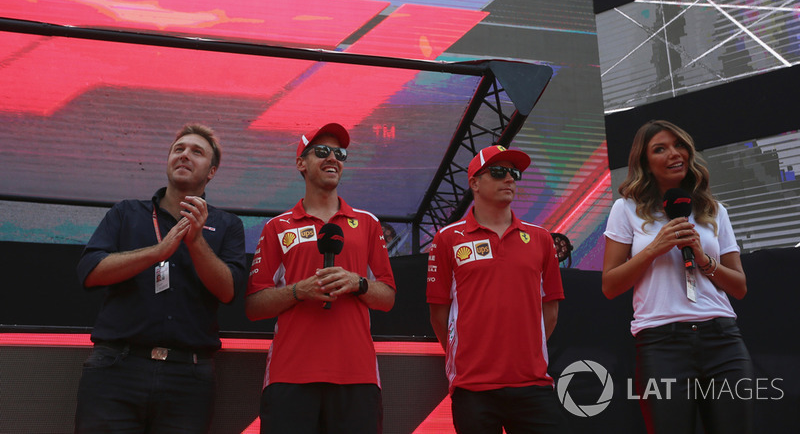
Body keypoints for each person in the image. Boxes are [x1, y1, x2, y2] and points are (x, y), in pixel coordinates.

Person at [74, 123, 248, 433]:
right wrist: (157, 252)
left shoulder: (227, 224)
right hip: (117, 368)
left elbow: (228, 291)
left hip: (189, 375)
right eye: (178, 149)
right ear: (167, 161)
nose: (184, 155)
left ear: (211, 171)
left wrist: (195, 241)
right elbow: (90, 272)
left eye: (197, 152)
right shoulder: (126, 213)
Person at [602, 120, 752, 434]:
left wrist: (703, 259)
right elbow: (610, 285)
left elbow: (739, 287)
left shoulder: (713, 210)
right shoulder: (626, 209)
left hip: (722, 340)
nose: (674, 153)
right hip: (661, 344)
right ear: (645, 163)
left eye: (679, 145)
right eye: (660, 149)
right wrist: (655, 248)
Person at [245, 122, 396, 434]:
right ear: (301, 163)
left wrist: (359, 283)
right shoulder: (278, 226)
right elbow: (254, 305)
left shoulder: (367, 223)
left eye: (339, 153)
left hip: (357, 376)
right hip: (290, 375)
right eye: (322, 152)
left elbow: (388, 297)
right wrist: (299, 290)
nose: (333, 159)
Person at [427, 145, 570, 434]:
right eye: (498, 172)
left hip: (532, 383)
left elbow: (551, 310)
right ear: (474, 183)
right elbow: (439, 314)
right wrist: (471, 355)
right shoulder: (447, 238)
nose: (510, 179)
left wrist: (524, 350)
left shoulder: (541, 238)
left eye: (513, 173)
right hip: (473, 386)